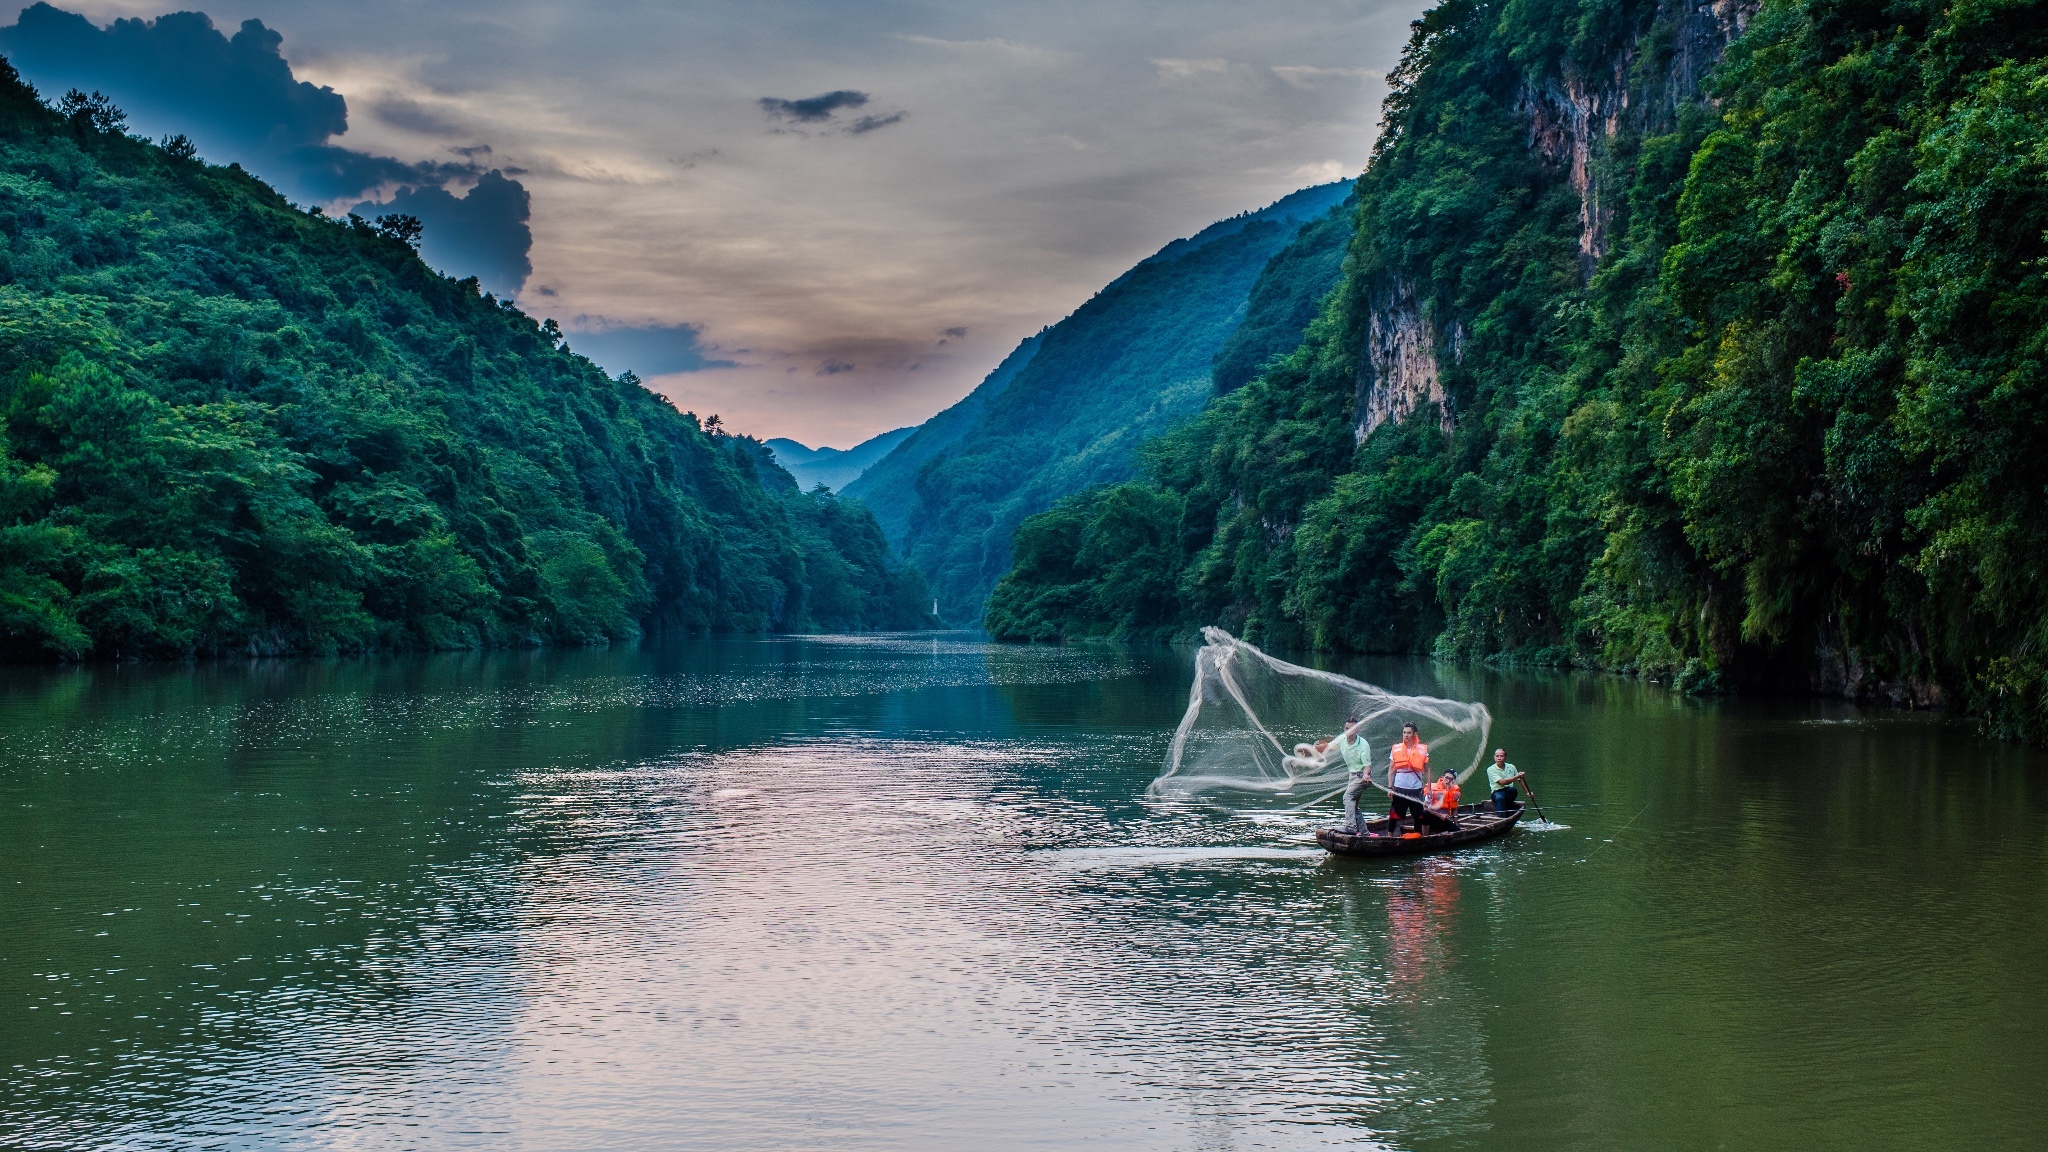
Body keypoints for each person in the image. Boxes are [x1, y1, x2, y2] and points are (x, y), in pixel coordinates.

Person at [1386, 722, 1451, 834]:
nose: (1406, 735)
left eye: (1409, 733)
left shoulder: (1421, 749)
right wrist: (1390, 787)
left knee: (1419, 816)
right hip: (1399, 787)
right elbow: (1391, 770)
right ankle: (1389, 838)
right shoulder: (1396, 749)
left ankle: (1419, 837)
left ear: (1414, 734)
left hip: (1415, 788)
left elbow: (1427, 770)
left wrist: (1429, 788)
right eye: (1404, 732)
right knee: (1393, 815)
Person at [1332, 715, 1372, 833]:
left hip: (1361, 777)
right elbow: (1328, 747)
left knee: (1347, 797)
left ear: (1356, 730)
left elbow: (1367, 766)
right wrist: (1311, 750)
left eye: (1352, 729)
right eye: (1346, 728)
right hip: (1352, 775)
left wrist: (1366, 775)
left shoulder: (1363, 744)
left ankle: (1350, 827)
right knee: (1353, 805)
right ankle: (1365, 833)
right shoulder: (1342, 740)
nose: (1348, 731)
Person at [1486, 748, 1524, 814]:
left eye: (1501, 756)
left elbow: (1520, 779)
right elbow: (1502, 782)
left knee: (1513, 790)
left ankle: (1507, 808)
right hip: (1496, 792)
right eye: (1497, 756)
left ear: (1505, 757)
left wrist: (1528, 793)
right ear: (1494, 757)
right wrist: (1517, 776)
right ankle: (1500, 817)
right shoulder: (1490, 769)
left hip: (1508, 791)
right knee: (1500, 797)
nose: (1499, 758)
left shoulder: (1511, 767)